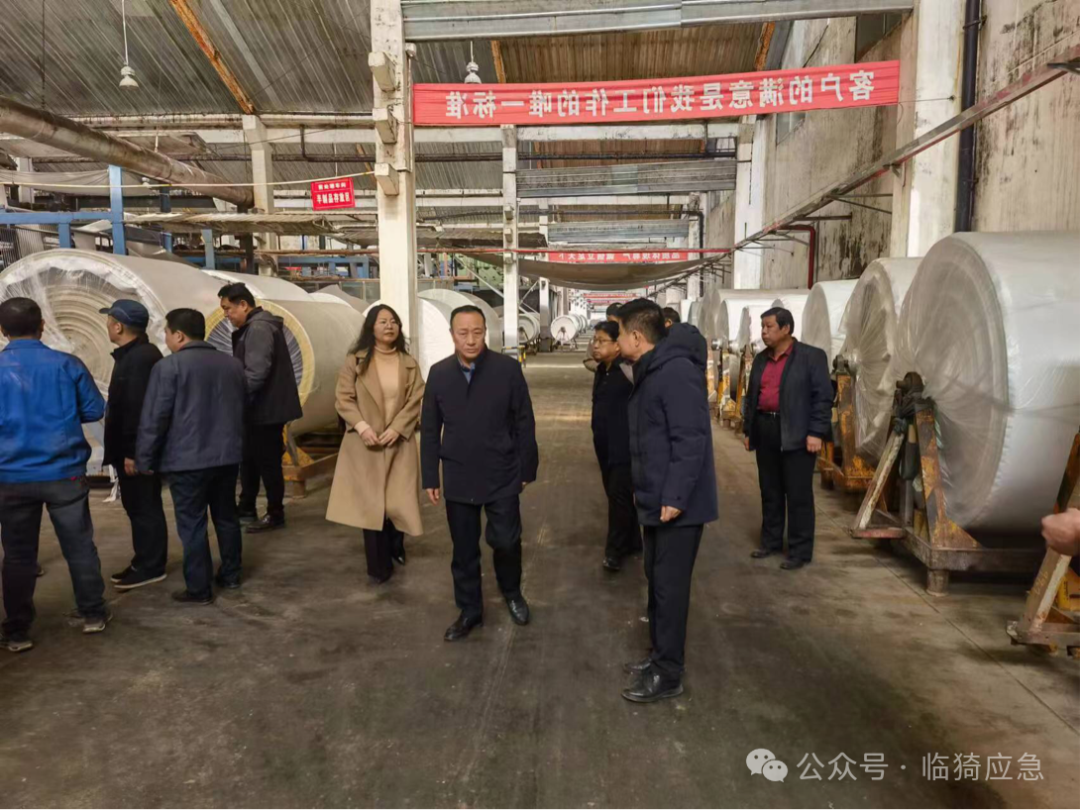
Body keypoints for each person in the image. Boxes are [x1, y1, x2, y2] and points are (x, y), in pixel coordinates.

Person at [616, 298, 717, 703]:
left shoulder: (675, 372)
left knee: (670, 591)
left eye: (619, 334)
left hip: (678, 505)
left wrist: (675, 495)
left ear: (636, 337)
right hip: (656, 498)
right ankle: (659, 656)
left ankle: (669, 673)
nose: (617, 341)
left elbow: (690, 438)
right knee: (657, 584)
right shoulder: (652, 369)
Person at [421, 305, 539, 642]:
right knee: (464, 548)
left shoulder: (507, 370)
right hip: (458, 474)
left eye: (477, 332)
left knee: (507, 541)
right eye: (463, 333)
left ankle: (512, 593)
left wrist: (527, 466)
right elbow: (430, 428)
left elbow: (524, 420)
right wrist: (430, 476)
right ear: (452, 335)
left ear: (485, 332)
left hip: (502, 471)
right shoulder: (439, 374)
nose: (471, 340)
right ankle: (470, 609)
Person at [0, 297, 110, 652]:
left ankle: (17, 631)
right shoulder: (66, 364)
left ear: (2, 330)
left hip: (10, 476)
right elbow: (94, 409)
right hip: (64, 474)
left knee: (18, 556)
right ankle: (92, 614)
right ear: (42, 325)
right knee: (78, 546)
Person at [137, 309, 246, 605]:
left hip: (186, 461)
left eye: (166, 333)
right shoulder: (232, 365)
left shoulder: (168, 368)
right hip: (227, 457)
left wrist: (144, 458)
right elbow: (242, 409)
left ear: (179, 335)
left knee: (193, 524)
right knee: (226, 516)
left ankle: (199, 589)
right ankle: (232, 574)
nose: (166, 339)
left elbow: (155, 417)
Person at [326, 304, 425, 584]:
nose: (389, 326)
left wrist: (398, 428)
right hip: (365, 446)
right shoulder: (355, 361)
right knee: (372, 507)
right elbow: (343, 398)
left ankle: (396, 545)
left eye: (393, 321)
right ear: (371, 327)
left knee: (397, 502)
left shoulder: (408, 363)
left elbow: (415, 399)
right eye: (383, 321)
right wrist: (361, 426)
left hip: (398, 443)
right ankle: (379, 568)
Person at [742, 307, 832, 571]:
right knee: (770, 490)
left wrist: (816, 432)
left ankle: (799, 551)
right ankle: (770, 542)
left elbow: (822, 398)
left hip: (797, 432)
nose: (764, 332)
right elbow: (752, 396)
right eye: (762, 327)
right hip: (766, 429)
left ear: (786, 329)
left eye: (769, 327)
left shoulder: (811, 357)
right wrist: (749, 430)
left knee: (798, 494)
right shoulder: (761, 359)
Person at [219, 283, 302, 534]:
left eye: (228, 308)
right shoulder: (255, 327)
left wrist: (235, 398)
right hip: (259, 409)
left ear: (244, 305)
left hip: (265, 410)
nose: (226, 315)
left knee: (267, 463)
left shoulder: (258, 328)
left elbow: (256, 373)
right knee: (250, 460)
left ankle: (275, 513)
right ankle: (246, 507)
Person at [100, 299, 169, 591]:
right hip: (133, 450)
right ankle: (144, 560)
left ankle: (151, 566)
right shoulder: (134, 354)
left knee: (144, 507)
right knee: (138, 506)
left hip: (136, 453)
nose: (107, 327)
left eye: (109, 322)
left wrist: (133, 453)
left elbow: (138, 410)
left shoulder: (140, 358)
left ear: (118, 326)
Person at [590, 320, 641, 572]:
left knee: (618, 498)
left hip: (623, 446)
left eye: (601, 341)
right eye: (595, 340)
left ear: (617, 346)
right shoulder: (602, 370)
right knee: (616, 494)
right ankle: (634, 541)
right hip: (604, 445)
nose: (595, 345)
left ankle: (615, 551)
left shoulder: (628, 372)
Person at [584, 303, 624, 373]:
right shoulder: (597, 337)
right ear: (608, 318)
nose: (618, 322)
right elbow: (589, 360)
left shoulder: (629, 336)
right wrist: (603, 368)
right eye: (615, 319)